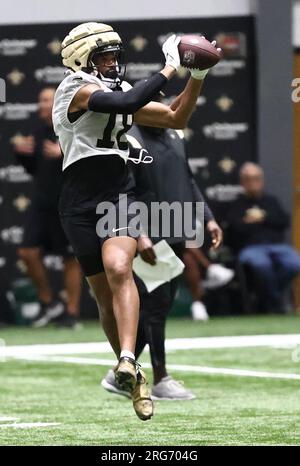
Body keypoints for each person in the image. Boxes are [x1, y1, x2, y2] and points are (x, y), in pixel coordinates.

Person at [52, 21, 221, 420]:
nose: (113, 63)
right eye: (104, 56)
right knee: (102, 298)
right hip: (78, 201)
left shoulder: (120, 91)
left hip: (117, 195)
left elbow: (176, 117)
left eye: (115, 55)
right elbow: (122, 107)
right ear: (82, 59)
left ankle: (128, 356)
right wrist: (168, 66)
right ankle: (135, 375)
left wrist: (196, 76)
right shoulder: (73, 89)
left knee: (118, 266)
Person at [101, 116, 229, 400]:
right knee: (157, 304)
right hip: (147, 230)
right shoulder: (128, 138)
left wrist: (207, 218)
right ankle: (161, 379)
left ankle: (119, 372)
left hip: (177, 229)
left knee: (163, 302)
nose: (162, 109)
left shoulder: (176, 135)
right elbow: (122, 191)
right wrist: (139, 234)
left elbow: (188, 179)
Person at [13, 87, 82, 328]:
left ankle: (71, 313)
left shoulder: (73, 129)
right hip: (42, 203)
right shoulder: (38, 133)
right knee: (27, 252)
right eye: (40, 100)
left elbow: (88, 158)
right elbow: (36, 169)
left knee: (70, 258)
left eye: (45, 100)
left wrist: (63, 151)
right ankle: (49, 304)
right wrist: (22, 154)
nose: (40, 105)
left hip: (68, 202)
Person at [228, 162, 300, 312]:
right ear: (242, 182)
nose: (253, 182)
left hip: (277, 246)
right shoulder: (237, 204)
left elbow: (284, 221)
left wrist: (263, 218)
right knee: (262, 265)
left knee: (294, 263)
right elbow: (235, 228)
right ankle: (275, 303)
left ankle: (267, 299)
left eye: (256, 178)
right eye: (248, 178)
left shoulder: (271, 201)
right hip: (250, 248)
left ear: (262, 180)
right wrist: (250, 222)